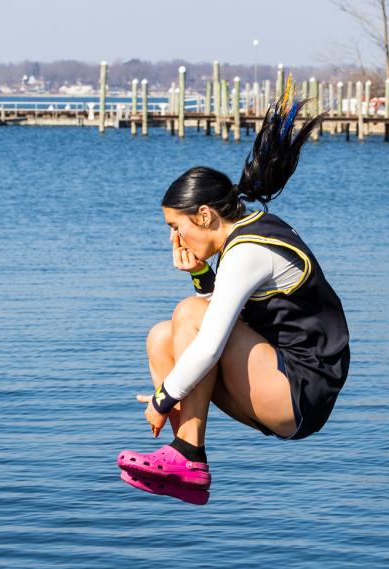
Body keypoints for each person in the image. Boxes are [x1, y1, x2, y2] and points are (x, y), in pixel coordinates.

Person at [116, 87, 350, 505]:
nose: (174, 237)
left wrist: (162, 398)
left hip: (300, 391)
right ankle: (183, 462)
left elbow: (210, 340)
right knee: (160, 338)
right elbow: (238, 317)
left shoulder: (247, 251)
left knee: (189, 314)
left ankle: (189, 455)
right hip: (277, 380)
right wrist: (202, 273)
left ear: (204, 215)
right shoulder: (244, 236)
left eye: (177, 226)